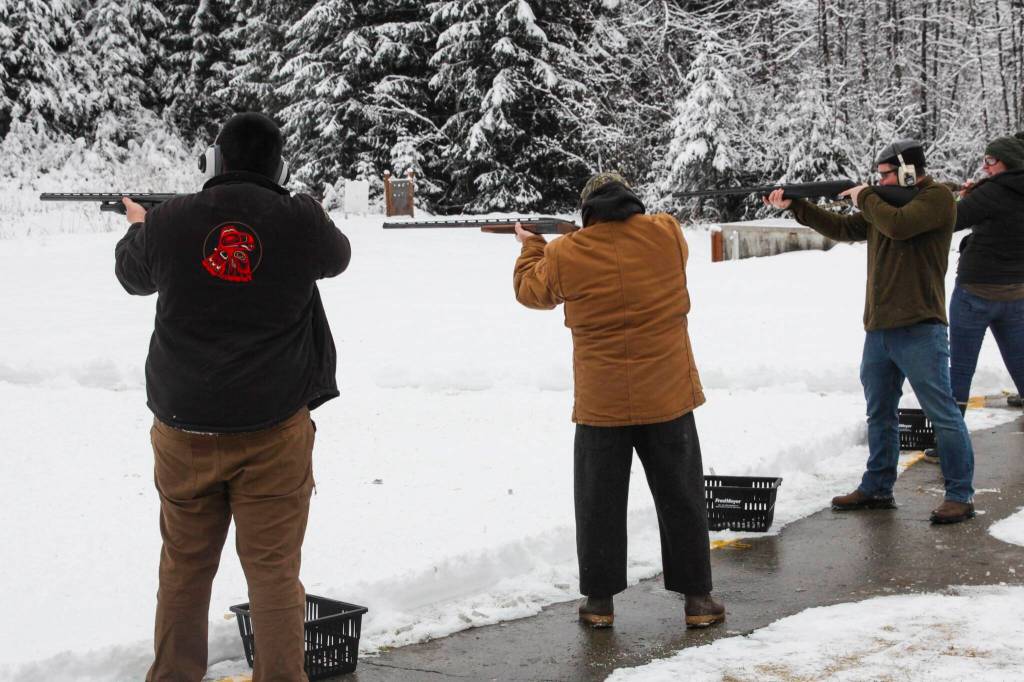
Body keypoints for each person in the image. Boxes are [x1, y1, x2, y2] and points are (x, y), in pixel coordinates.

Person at [115, 112, 351, 682]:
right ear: (279, 165)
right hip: (274, 430)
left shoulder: (172, 222)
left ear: (214, 162)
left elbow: (131, 275)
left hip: (184, 426)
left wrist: (139, 225)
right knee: (273, 573)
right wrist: (307, 207)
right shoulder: (299, 221)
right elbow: (337, 257)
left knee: (184, 570)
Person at [512, 172, 724, 629]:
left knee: (599, 504)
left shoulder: (565, 252)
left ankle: (599, 603)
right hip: (669, 395)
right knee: (682, 498)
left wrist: (531, 245)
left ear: (587, 211)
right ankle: (698, 600)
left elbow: (531, 292)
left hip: (602, 401)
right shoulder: (666, 233)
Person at [764, 139, 975, 524]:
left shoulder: (937, 198)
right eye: (877, 176)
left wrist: (865, 196)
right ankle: (878, 487)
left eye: (885, 175)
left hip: (920, 327)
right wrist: (797, 206)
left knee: (942, 414)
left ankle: (960, 495)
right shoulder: (883, 205)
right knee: (879, 413)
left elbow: (899, 226)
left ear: (909, 172)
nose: (878, 181)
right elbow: (844, 228)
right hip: (879, 329)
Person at [946, 133, 1024, 420]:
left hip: (975, 293)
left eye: (991, 161)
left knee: (961, 370)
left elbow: (949, 220)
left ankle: (948, 445)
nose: (985, 167)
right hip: (1016, 293)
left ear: (1009, 162)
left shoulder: (990, 193)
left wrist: (969, 198)